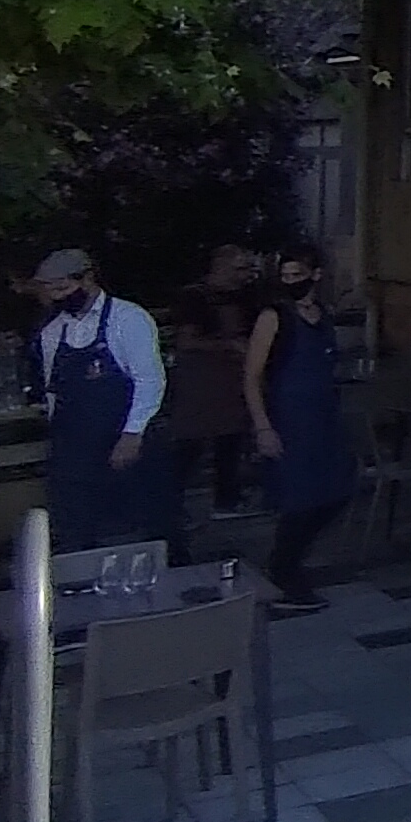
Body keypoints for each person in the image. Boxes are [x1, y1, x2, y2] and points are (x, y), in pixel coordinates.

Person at [26, 248, 169, 553]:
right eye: (50, 291)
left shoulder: (128, 319)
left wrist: (132, 433)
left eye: (63, 288)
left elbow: (149, 380)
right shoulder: (52, 331)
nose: (57, 297)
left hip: (122, 441)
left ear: (87, 279)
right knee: (75, 530)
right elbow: (53, 390)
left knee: (134, 529)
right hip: (74, 451)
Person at [243, 244, 354, 614]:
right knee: (299, 500)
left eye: (297, 275)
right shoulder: (274, 317)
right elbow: (251, 376)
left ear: (315, 275)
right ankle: (284, 572)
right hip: (289, 420)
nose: (291, 282)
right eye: (285, 276)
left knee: (338, 490)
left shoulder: (323, 315)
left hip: (323, 418)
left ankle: (288, 563)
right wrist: (263, 427)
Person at [161, 243, 263, 518]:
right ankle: (167, 505)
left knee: (231, 440)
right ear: (221, 267)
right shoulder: (194, 298)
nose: (246, 275)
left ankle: (227, 500)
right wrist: (228, 346)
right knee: (190, 444)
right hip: (201, 383)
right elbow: (186, 341)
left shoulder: (246, 298)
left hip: (232, 381)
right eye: (240, 268)